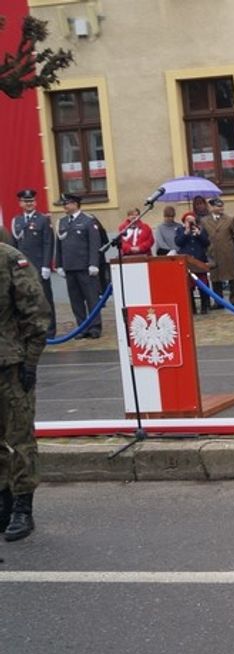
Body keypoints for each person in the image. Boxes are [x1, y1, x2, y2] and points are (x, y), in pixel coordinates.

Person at [0, 239, 51, 542]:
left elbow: (36, 314)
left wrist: (29, 363)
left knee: (20, 438)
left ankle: (22, 508)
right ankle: (3, 503)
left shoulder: (9, 259)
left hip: (9, 365)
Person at [54, 192, 104, 339]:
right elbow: (59, 245)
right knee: (76, 300)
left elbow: (95, 244)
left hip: (85, 267)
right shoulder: (62, 222)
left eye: (67, 203)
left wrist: (94, 263)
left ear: (75, 204)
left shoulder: (88, 220)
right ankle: (82, 327)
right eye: (64, 204)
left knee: (91, 298)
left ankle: (95, 327)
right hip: (69, 267)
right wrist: (59, 264)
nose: (65, 206)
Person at [11, 189, 56, 338]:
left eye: (31, 201)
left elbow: (48, 243)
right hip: (23, 268)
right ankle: (32, 329)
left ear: (35, 203)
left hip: (39, 265)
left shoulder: (42, 219)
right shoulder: (16, 221)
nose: (29, 204)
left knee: (45, 299)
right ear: (20, 203)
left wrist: (46, 265)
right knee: (27, 299)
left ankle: (49, 330)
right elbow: (14, 246)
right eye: (25, 201)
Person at [201, 198, 234, 307]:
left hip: (227, 252)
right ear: (212, 207)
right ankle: (218, 301)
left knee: (232, 277)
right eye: (218, 206)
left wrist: (228, 245)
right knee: (215, 278)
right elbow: (203, 236)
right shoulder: (204, 221)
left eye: (222, 206)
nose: (221, 208)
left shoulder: (229, 219)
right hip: (213, 252)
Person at [175, 212, 211, 315]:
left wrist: (199, 234)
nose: (190, 222)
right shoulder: (180, 230)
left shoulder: (201, 229)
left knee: (203, 285)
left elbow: (207, 242)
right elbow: (178, 242)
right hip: (187, 261)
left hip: (199, 260)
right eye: (187, 220)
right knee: (189, 286)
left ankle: (205, 306)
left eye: (191, 220)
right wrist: (186, 232)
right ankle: (192, 308)